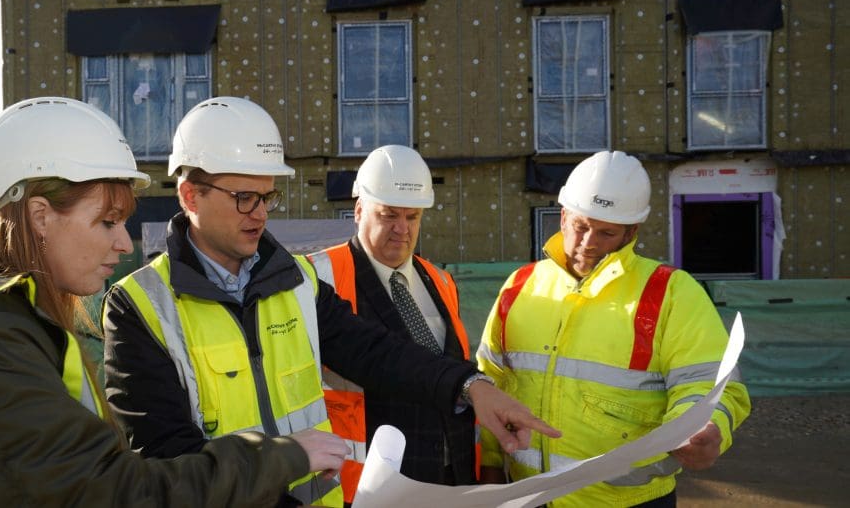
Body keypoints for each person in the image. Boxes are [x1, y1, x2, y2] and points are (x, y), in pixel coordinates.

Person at [0, 97, 349, 507]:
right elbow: (108, 494)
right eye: (107, 222)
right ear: (39, 216)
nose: (123, 244)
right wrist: (280, 457)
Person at [102, 96, 561, 507]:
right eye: (244, 197)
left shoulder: (293, 280)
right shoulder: (138, 307)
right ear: (190, 196)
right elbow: (168, 456)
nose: (260, 214)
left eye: (267, 196)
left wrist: (471, 387)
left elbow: (376, 352)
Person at [476, 151, 752, 507]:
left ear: (631, 232)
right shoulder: (521, 286)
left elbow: (707, 381)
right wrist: (491, 465)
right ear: (563, 217)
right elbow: (491, 380)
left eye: (606, 232)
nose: (589, 243)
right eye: (581, 226)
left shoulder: (670, 292)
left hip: (630, 501)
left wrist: (704, 425)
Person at [305, 145, 477, 502]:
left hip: (448, 477)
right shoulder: (317, 277)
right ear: (358, 211)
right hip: (363, 485)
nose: (402, 229)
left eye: (412, 217)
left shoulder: (441, 282)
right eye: (389, 215)